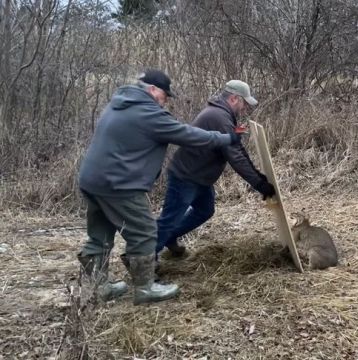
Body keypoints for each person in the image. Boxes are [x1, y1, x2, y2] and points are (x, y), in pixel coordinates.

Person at [77, 69, 241, 305]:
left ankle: (98, 287)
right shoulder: (148, 113)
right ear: (153, 90)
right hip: (119, 184)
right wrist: (227, 138)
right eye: (166, 95)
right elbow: (187, 134)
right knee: (144, 232)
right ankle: (145, 288)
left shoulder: (118, 103)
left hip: (92, 180)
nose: (166, 101)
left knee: (99, 236)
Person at [155, 80, 276, 259]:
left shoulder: (222, 115)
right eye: (244, 103)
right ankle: (143, 259)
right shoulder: (219, 117)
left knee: (205, 210)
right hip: (186, 176)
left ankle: (169, 237)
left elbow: (237, 150)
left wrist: (259, 178)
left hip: (200, 177)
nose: (244, 109)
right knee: (169, 219)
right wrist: (259, 184)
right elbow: (234, 157)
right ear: (234, 99)